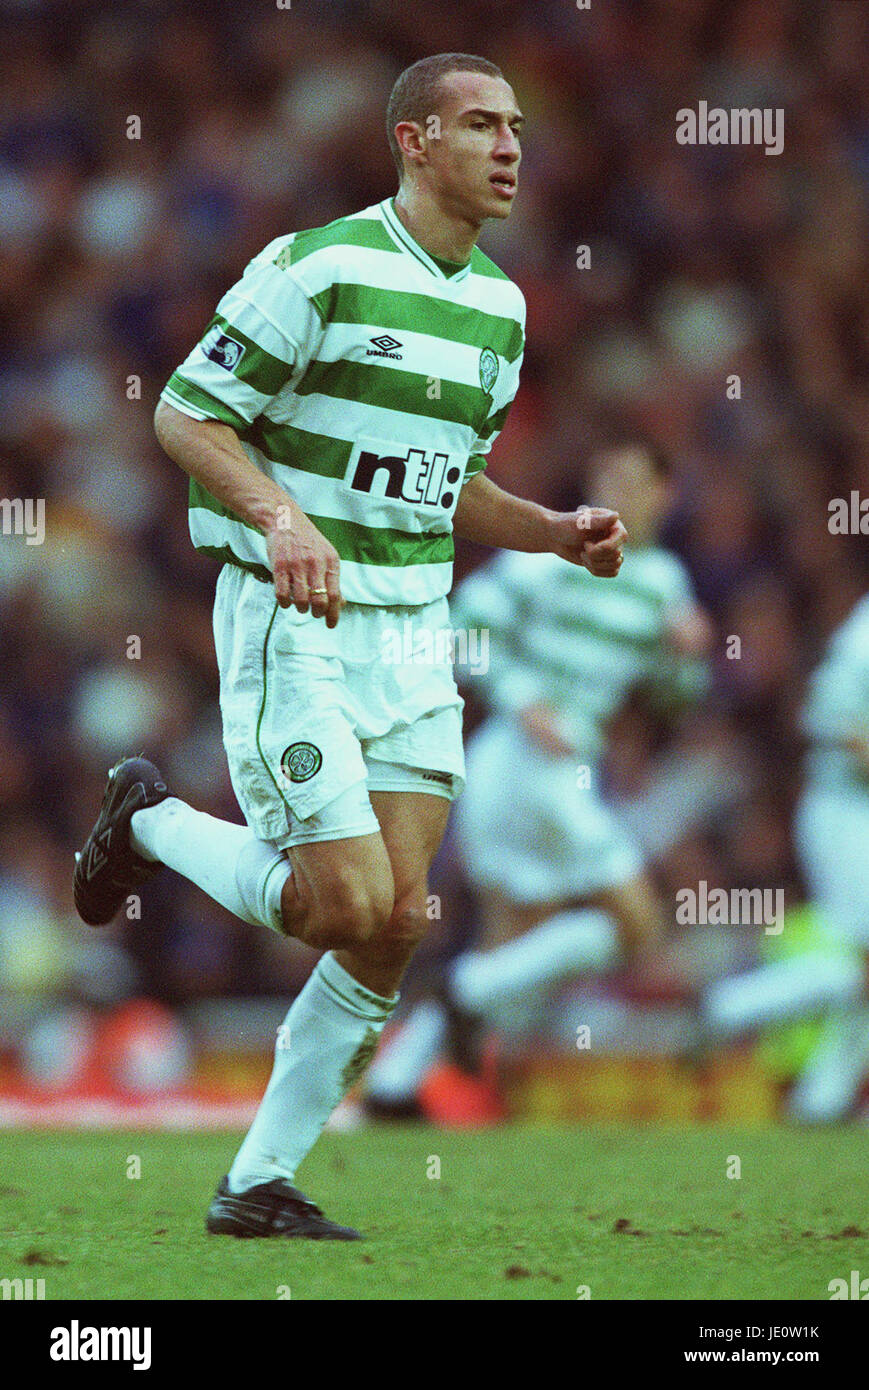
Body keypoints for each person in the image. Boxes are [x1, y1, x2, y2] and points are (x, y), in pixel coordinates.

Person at [73, 53, 626, 1238]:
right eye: (480, 124)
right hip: (297, 617)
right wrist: (280, 518)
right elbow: (186, 410)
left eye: (517, 126)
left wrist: (552, 530)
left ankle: (256, 1182)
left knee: (398, 920)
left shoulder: (499, 306)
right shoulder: (317, 266)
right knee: (341, 901)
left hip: (414, 630)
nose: (510, 146)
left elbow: (455, 487)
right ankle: (150, 823)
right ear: (414, 142)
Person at [366, 439, 711, 1115]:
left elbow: (673, 698)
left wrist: (687, 656)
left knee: (514, 937)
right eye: (606, 474)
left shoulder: (664, 584)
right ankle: (465, 994)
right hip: (526, 760)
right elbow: (460, 627)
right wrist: (524, 698)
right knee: (636, 926)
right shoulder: (555, 561)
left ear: (663, 496)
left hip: (558, 769)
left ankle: (393, 1084)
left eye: (632, 481)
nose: (616, 491)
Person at [698, 593, 869, 1122]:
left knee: (859, 975)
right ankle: (725, 1009)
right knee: (860, 967)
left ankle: (819, 1106)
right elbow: (833, 724)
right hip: (845, 812)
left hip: (848, 810)